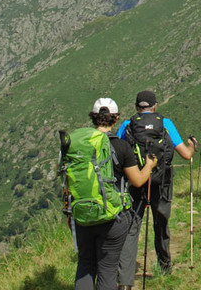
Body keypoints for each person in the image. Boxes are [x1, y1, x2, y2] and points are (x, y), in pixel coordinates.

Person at [73, 98, 158, 290]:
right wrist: (150, 165)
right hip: (112, 217)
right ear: (116, 118)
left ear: (93, 117)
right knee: (107, 269)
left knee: (85, 265)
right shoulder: (120, 146)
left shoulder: (79, 146)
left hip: (83, 215)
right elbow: (137, 180)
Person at [116, 90, 197, 280]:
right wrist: (192, 145)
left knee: (132, 226)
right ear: (155, 106)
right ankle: (164, 266)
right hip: (162, 182)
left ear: (136, 107)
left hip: (136, 181)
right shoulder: (165, 123)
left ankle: (125, 276)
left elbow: (117, 153)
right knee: (161, 222)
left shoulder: (127, 125)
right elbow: (186, 155)